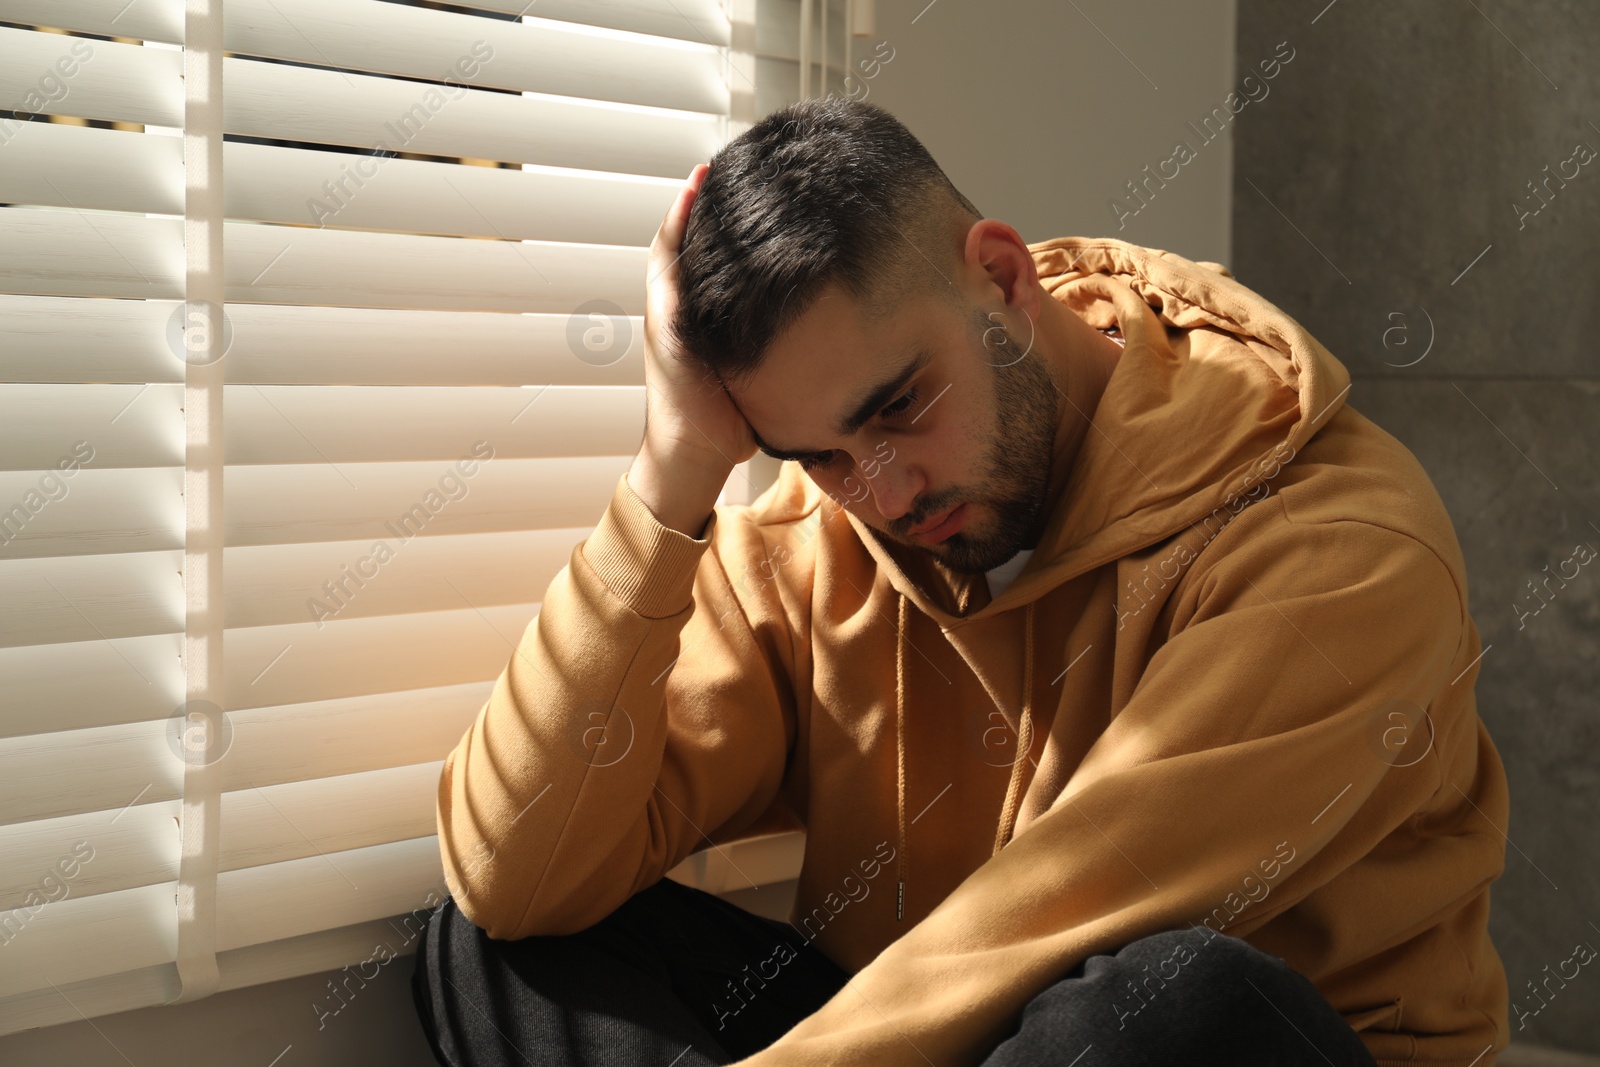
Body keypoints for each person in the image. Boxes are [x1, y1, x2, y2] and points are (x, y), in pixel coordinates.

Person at [412, 97, 1510, 1066]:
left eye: (898, 407)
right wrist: (676, 475)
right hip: (948, 1035)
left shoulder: (1338, 546)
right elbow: (517, 872)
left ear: (1001, 277)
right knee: (502, 936)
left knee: (1168, 1002)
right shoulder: (818, 536)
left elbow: (1061, 918)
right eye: (820, 454)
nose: (883, 492)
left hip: (1212, 1043)